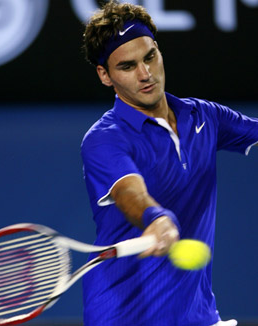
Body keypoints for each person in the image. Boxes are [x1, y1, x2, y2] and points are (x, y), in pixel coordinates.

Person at [80, 1, 258, 325]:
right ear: (105, 75)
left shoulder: (204, 116)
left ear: (158, 51)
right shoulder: (104, 139)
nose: (145, 74)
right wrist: (155, 218)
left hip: (199, 316)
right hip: (126, 318)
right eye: (127, 66)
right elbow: (128, 191)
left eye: (149, 57)